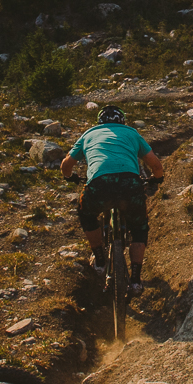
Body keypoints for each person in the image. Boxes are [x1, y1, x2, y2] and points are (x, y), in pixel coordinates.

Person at [59, 104, 164, 291]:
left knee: (86, 214)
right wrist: (157, 178)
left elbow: (66, 164)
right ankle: (136, 279)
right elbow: (155, 164)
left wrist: (70, 177)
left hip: (99, 184)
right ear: (122, 121)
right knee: (139, 227)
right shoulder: (131, 133)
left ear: (99, 121)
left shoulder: (89, 134)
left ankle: (99, 259)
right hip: (130, 184)